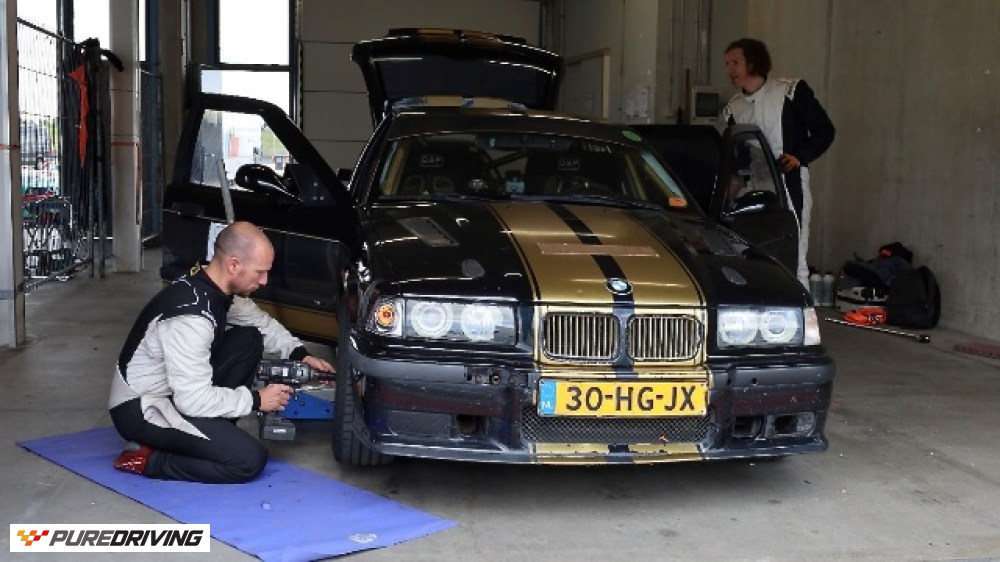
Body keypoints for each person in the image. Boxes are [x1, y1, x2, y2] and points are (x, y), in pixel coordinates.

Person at [108, 221, 333, 483]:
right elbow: (192, 400)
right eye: (260, 272)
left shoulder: (215, 287)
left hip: (176, 389)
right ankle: (148, 459)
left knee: (249, 338)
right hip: (144, 408)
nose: (264, 281)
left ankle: (212, 437)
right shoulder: (191, 320)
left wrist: (300, 354)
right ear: (234, 265)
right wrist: (256, 399)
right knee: (248, 460)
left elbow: (261, 324)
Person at [722, 38, 835, 289]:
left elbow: (824, 130)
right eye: (727, 64)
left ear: (753, 62)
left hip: (789, 181)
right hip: (753, 189)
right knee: (755, 253)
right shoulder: (734, 108)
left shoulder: (790, 91)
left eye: (735, 63)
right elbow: (738, 159)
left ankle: (802, 305)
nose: (730, 69)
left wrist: (799, 156)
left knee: (795, 252)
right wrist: (729, 191)